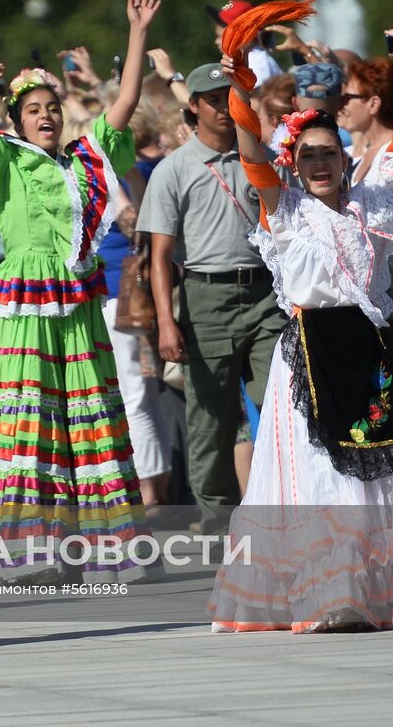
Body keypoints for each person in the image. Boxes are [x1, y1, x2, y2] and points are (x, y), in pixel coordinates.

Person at [208, 1, 393, 632]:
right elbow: (250, 144)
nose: (318, 164)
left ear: (343, 158)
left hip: (364, 348)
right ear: (295, 163)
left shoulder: (374, 202)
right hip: (307, 352)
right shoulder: (280, 209)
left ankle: (390, 587)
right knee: (318, 471)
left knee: (385, 466)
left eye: (328, 154)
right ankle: (329, 592)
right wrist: (240, 89)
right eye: (307, 155)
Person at [0, 0, 162, 580]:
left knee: (86, 412)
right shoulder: (6, 160)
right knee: (29, 414)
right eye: (33, 109)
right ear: (15, 120)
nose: (46, 115)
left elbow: (127, 103)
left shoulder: (86, 158)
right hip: (27, 296)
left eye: (52, 107)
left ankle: (103, 546)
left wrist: (137, 32)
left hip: (80, 296)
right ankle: (23, 546)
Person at [138, 63, 286, 534]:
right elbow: (159, 256)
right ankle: (218, 519)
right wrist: (166, 321)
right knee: (211, 418)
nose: (225, 107)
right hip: (205, 296)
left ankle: (286, 504)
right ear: (193, 107)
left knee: (282, 399)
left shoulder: (260, 156)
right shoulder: (173, 169)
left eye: (231, 97)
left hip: (266, 291)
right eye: (213, 100)